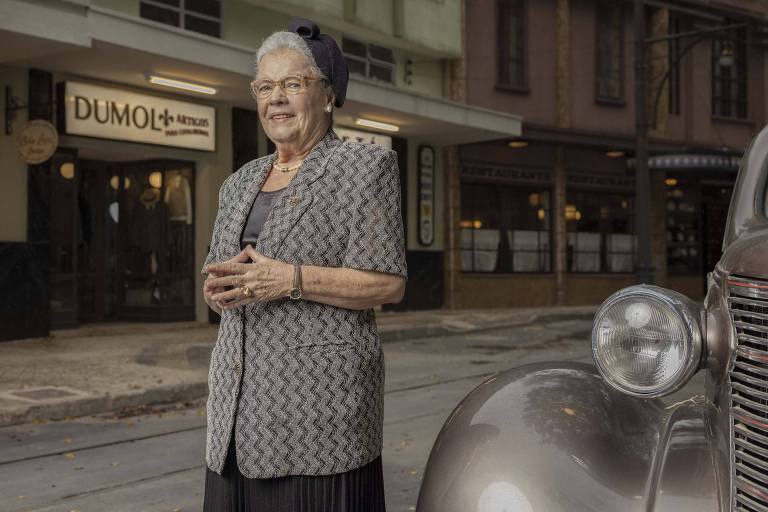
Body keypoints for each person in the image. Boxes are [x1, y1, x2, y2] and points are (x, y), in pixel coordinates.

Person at [200, 17, 407, 512]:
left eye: (293, 84)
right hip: (235, 411)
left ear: (329, 94)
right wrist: (218, 290)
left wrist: (288, 279)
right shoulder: (240, 181)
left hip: (319, 414)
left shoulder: (364, 167)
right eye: (265, 86)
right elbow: (218, 270)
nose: (276, 98)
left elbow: (388, 284)